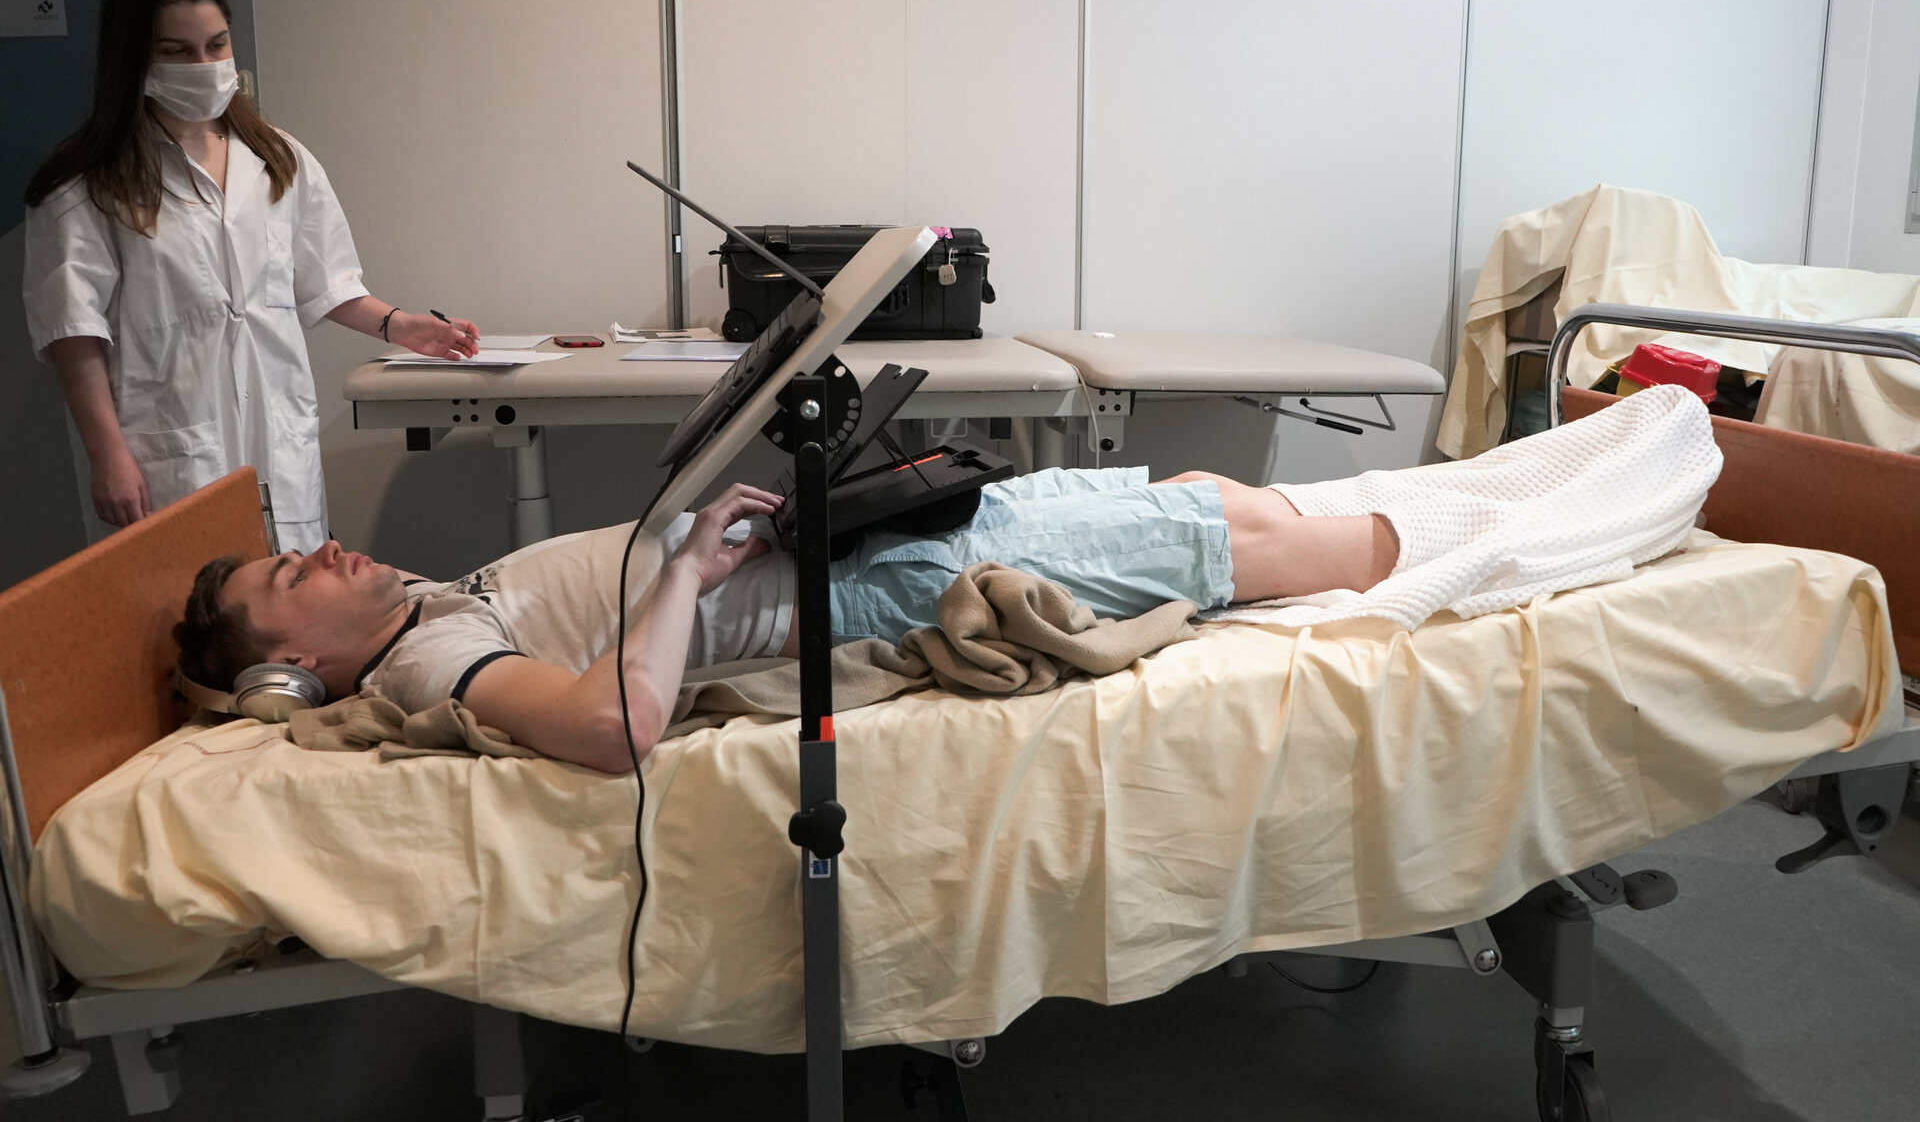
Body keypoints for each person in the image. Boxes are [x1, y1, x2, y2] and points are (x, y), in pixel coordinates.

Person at [173, 467, 1399, 773]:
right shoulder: (432, 659)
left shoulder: (428, 602)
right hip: (872, 586)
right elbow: (611, 726)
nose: (320, 549)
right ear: (296, 660)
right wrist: (689, 571)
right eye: (290, 574)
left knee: (1205, 496)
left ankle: (1446, 512)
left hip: (853, 537)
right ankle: (1478, 549)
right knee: (1257, 548)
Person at [21, 0, 479, 554]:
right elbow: (73, 334)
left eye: (216, 45)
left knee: (290, 590)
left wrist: (402, 326)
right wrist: (107, 455)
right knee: (182, 600)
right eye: (177, 50)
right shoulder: (86, 183)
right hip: (164, 450)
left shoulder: (277, 158)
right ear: (132, 56)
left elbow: (324, 281)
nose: (204, 65)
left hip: (277, 437)